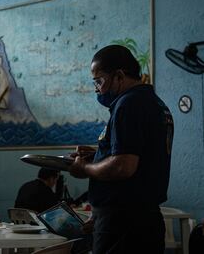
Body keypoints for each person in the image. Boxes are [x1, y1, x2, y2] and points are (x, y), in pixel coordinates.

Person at [69, 45, 174, 254]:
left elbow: (122, 167)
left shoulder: (129, 104)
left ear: (118, 76)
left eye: (99, 81)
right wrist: (99, 155)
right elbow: (142, 155)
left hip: (123, 224)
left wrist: (85, 168)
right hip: (143, 220)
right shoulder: (154, 103)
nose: (97, 89)